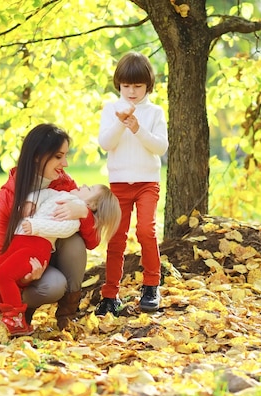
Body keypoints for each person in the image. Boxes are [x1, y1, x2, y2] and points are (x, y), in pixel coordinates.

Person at [0, 123, 100, 331]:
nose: (65, 163)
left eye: (65, 156)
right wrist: (23, 278)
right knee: (52, 286)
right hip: (24, 261)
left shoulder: (65, 186)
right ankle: (21, 312)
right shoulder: (7, 196)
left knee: (75, 241)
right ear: (38, 156)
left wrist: (84, 214)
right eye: (59, 157)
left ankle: (68, 314)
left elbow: (93, 242)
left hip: (52, 254)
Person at [0, 184, 121, 335]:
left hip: (36, 246)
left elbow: (68, 230)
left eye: (90, 189)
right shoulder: (57, 192)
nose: (84, 185)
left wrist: (83, 213)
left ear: (90, 204)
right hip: (19, 241)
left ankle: (55, 315)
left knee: (3, 275)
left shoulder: (74, 204)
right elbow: (46, 193)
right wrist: (31, 201)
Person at [96, 51, 169, 316]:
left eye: (137, 86)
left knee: (146, 231)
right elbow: (106, 143)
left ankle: (151, 284)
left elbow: (160, 147)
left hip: (147, 181)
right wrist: (121, 123)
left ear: (148, 85)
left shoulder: (154, 112)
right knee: (116, 238)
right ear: (119, 85)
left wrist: (137, 128)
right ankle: (110, 294)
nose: (132, 91)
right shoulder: (110, 108)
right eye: (126, 86)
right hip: (119, 184)